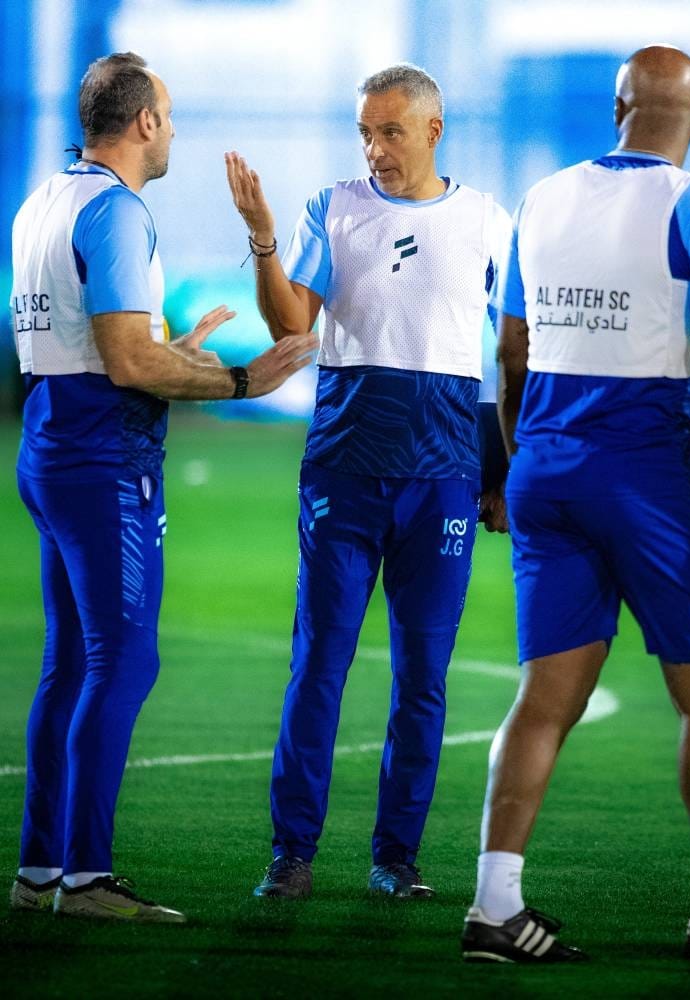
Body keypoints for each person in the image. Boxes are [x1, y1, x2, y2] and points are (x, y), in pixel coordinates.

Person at [462, 44, 690, 963]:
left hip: (545, 467)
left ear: (616, 108)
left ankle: (494, 908)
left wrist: (516, 467)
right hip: (648, 475)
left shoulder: (542, 199)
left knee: (543, 699)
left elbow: (511, 355)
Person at [8, 52, 316, 923]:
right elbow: (125, 364)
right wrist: (247, 380)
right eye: (169, 116)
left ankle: (41, 871)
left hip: (52, 442)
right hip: (102, 461)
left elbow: (88, 349)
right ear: (144, 121)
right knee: (123, 660)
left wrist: (170, 352)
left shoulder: (43, 200)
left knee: (71, 664)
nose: (173, 130)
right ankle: (85, 877)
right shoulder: (116, 210)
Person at [226, 63, 510, 899]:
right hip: (343, 476)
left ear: (432, 130)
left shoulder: (486, 221)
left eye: (389, 131)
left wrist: (500, 470)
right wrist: (263, 240)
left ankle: (396, 858)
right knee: (318, 665)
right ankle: (292, 854)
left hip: (443, 479)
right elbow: (291, 325)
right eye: (364, 133)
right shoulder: (333, 208)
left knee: (422, 678)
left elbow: (511, 352)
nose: (374, 148)